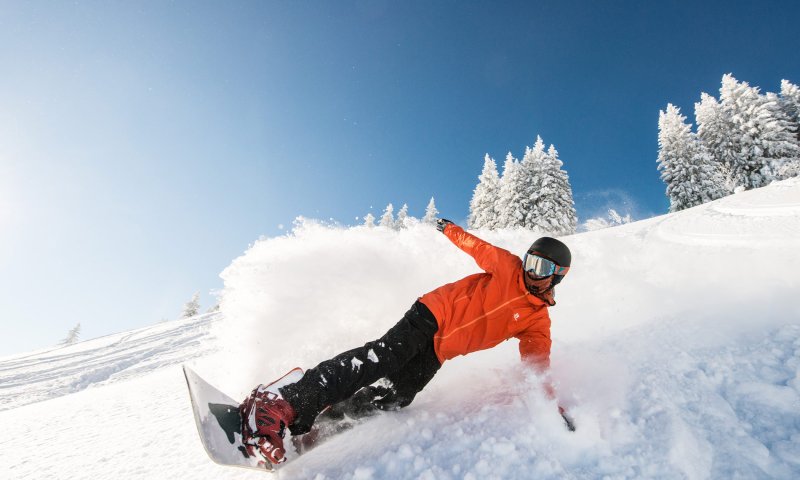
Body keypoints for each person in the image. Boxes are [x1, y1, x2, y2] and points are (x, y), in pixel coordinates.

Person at [239, 219, 573, 464]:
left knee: (397, 395)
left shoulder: (537, 323)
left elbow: (537, 365)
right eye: (530, 260)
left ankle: (318, 428)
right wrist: (450, 230)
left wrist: (548, 403)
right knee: (380, 358)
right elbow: (476, 246)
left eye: (542, 266)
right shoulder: (507, 266)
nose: (531, 270)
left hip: (441, 350)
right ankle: (279, 401)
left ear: (557, 275)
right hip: (432, 313)